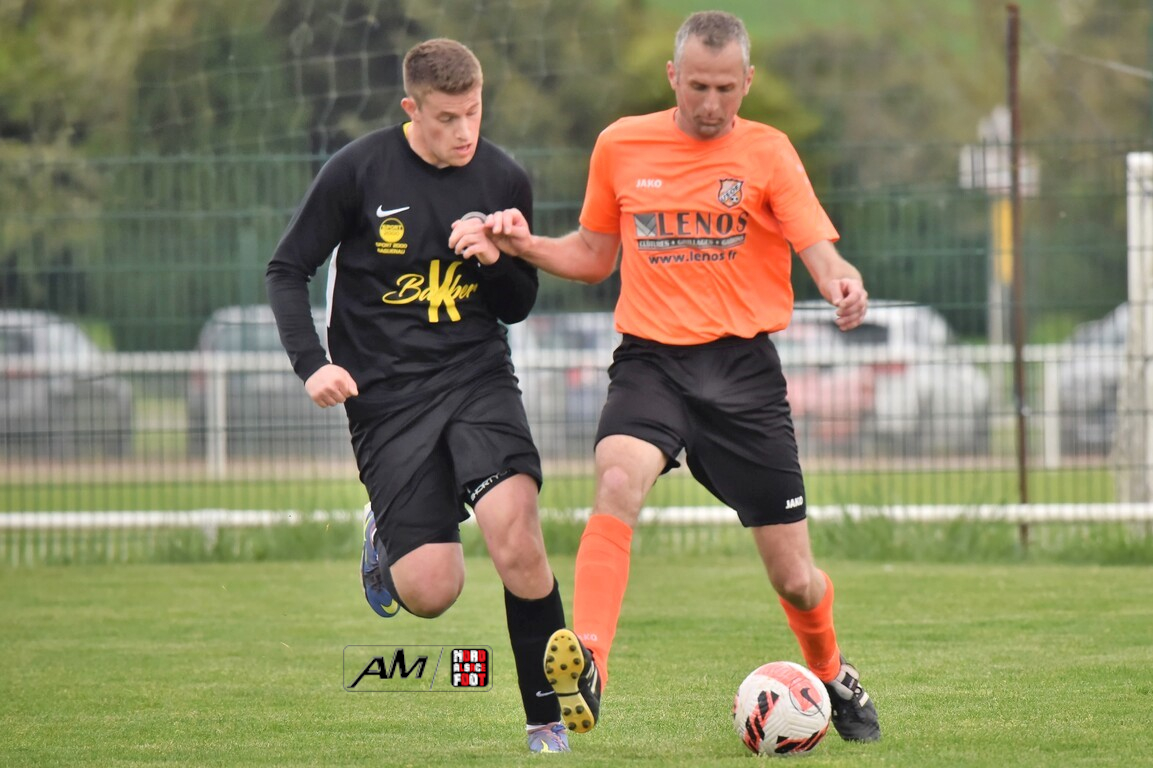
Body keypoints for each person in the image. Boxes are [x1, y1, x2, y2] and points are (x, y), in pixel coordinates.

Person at [451, 10, 881, 743]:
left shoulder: (769, 152)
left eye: (725, 88)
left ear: (747, 81)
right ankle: (588, 664)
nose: (711, 104)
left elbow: (817, 246)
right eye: (697, 86)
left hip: (743, 373)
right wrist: (522, 246)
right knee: (617, 480)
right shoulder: (621, 144)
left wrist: (842, 281)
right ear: (672, 76)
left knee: (795, 578)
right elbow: (594, 256)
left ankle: (832, 672)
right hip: (651, 361)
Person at [266, 38, 571, 754]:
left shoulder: (503, 177)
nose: (465, 131)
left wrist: (496, 260)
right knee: (432, 592)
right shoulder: (358, 171)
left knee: (518, 538)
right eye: (446, 117)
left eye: (475, 112)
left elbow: (517, 305)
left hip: (477, 377)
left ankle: (547, 720)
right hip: (388, 400)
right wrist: (312, 366)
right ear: (412, 109)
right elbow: (287, 269)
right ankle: (387, 531)